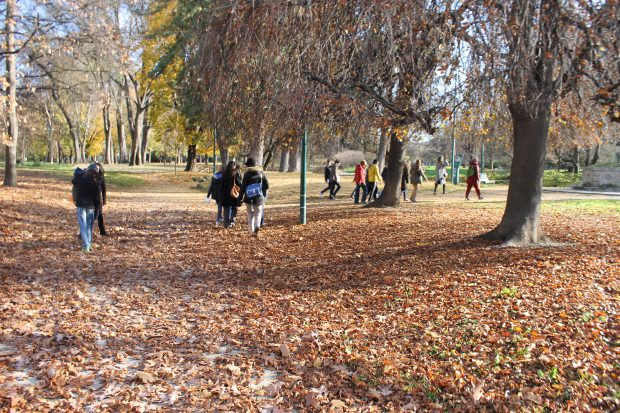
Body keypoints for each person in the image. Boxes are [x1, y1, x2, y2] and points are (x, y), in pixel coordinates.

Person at [72, 163, 101, 252]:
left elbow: (73, 181)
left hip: (81, 206)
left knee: (83, 226)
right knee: (89, 226)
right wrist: (97, 212)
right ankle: (88, 244)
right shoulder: (95, 184)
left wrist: (80, 173)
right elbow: (97, 199)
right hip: (91, 207)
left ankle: (86, 245)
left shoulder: (81, 179)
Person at [240, 158, 270, 236]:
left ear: (248, 165)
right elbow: (267, 185)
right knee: (258, 213)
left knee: (250, 214)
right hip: (259, 197)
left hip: (248, 197)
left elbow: (243, 187)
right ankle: (257, 226)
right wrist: (261, 190)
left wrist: (239, 198)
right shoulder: (261, 173)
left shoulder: (246, 175)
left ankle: (251, 231)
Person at [219, 161, 242, 228]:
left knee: (226, 209)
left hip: (225, 194)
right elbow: (239, 183)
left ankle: (226, 223)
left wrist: (221, 194)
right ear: (234, 166)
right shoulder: (235, 174)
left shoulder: (224, 174)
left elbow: (221, 185)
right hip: (233, 195)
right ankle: (231, 221)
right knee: (234, 208)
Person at [94, 162, 108, 236]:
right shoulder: (90, 176)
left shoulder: (101, 178)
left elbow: (104, 189)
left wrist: (104, 201)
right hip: (90, 199)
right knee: (88, 216)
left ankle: (102, 231)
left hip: (98, 199)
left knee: (99, 215)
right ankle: (82, 232)